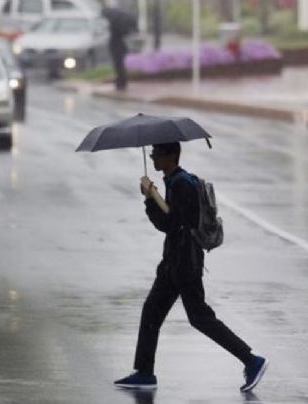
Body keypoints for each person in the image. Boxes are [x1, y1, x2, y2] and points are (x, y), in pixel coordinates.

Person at [114, 142, 268, 392]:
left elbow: (172, 224)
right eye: (152, 153)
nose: (152, 157)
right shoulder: (175, 181)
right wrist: (155, 196)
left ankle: (251, 360)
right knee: (152, 312)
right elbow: (175, 220)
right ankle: (144, 372)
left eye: (157, 153)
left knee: (200, 318)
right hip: (174, 262)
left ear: (170, 155)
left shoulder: (181, 184)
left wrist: (150, 201)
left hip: (185, 263)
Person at [102, 8, 135, 91]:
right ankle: (121, 81)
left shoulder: (115, 25)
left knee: (118, 65)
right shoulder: (122, 23)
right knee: (120, 65)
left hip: (117, 46)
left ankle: (121, 82)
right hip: (121, 45)